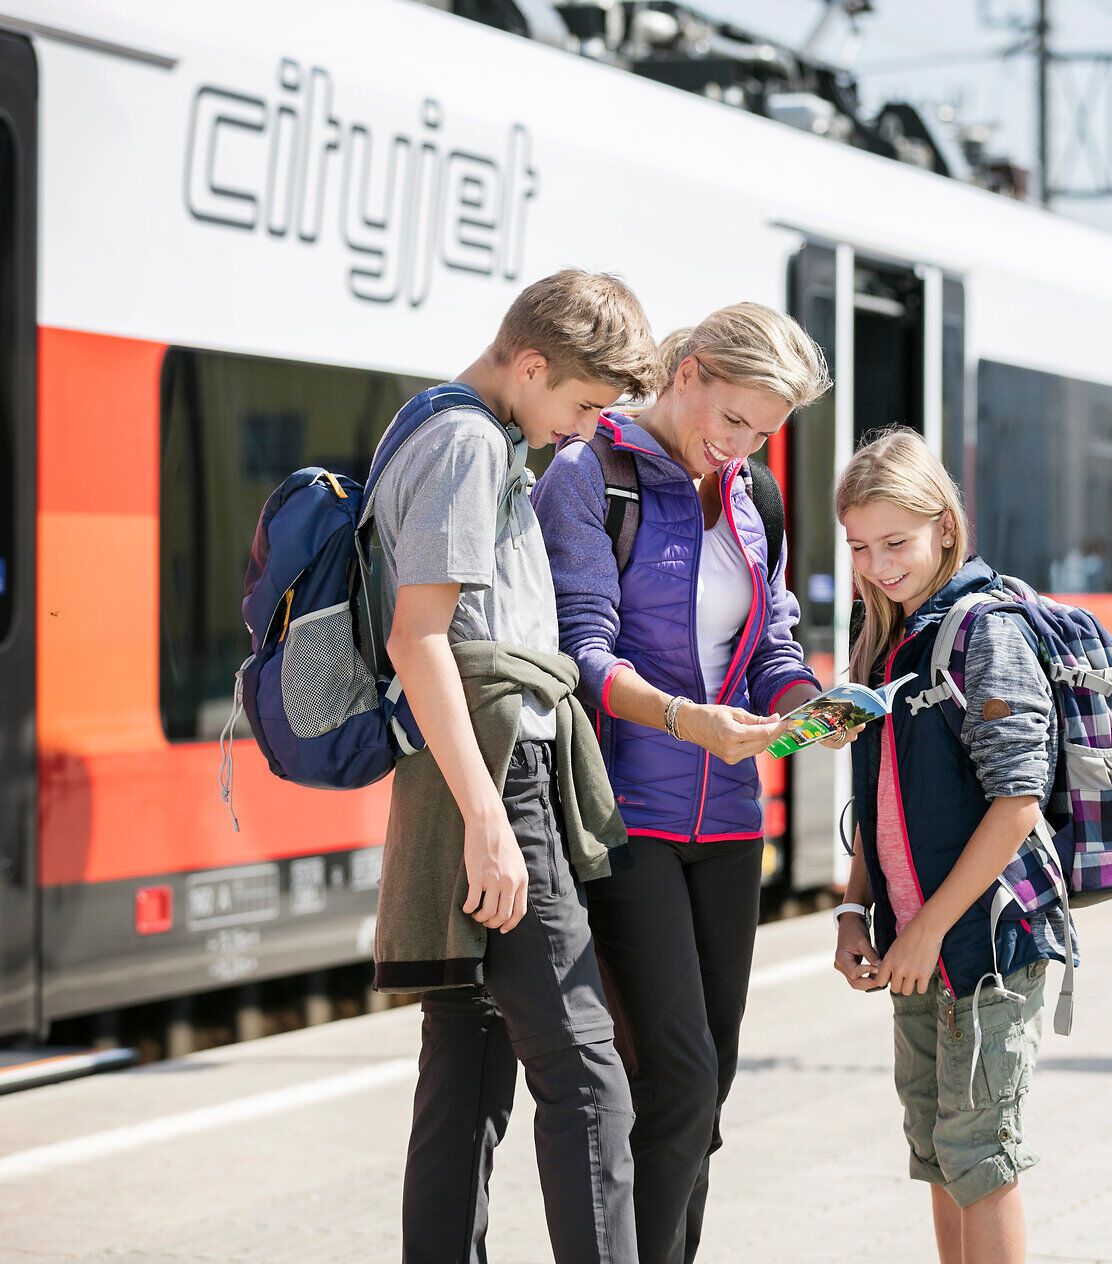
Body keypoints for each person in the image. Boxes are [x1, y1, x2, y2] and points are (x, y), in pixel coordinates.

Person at [531, 303, 832, 1264]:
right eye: (732, 420)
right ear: (688, 372)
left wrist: (809, 703)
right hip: (630, 820)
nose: (739, 447)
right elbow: (580, 652)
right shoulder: (589, 475)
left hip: (732, 825)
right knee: (679, 1078)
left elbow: (772, 642)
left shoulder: (755, 497)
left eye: (763, 434)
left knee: (709, 1091)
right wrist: (684, 720)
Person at [371, 269, 660, 1264]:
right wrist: (491, 822)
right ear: (530, 364)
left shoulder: (433, 423)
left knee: (469, 1057)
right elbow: (423, 639)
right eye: (581, 404)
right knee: (586, 1070)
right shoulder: (463, 441)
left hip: (464, 767)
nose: (582, 431)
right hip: (497, 773)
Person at [830, 428, 1073, 1264]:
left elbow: (1016, 802)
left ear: (944, 525)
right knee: (938, 1151)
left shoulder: (983, 632)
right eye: (860, 546)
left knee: (982, 1157)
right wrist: (853, 909)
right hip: (915, 944)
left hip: (987, 946)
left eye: (896, 543)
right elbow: (876, 799)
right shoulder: (887, 637)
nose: (877, 565)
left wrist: (930, 925)